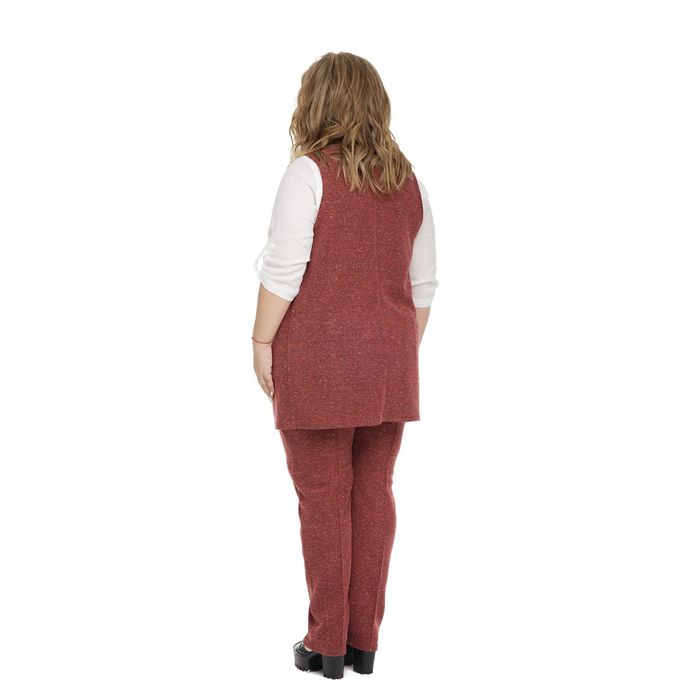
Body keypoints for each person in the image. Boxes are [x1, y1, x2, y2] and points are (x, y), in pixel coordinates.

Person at [251, 51, 438, 680]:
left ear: (316, 102)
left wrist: (260, 341)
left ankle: (325, 643)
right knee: (373, 493)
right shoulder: (409, 183)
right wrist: (392, 352)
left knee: (324, 499)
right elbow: (423, 286)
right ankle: (364, 644)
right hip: (390, 367)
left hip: (317, 364)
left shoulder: (308, 174)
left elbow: (284, 270)